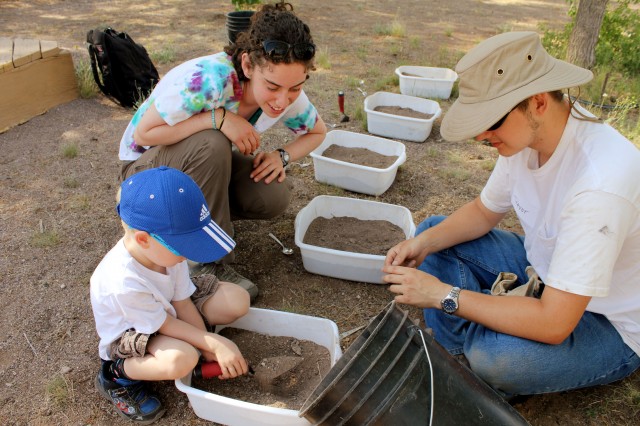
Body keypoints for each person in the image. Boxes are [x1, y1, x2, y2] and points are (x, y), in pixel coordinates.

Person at [383, 31, 640, 398]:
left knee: (497, 359)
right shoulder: (527, 138)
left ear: (537, 103)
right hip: (549, 271)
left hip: (608, 321)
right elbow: (483, 212)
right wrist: (420, 243)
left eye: (491, 122)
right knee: (433, 233)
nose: (481, 137)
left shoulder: (600, 183)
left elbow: (555, 323)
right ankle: (461, 354)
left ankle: (476, 354)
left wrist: (444, 295)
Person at [118, 2, 327, 302]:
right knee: (212, 142)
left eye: (295, 88)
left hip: (192, 166)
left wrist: (281, 156)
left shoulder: (285, 86)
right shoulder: (209, 80)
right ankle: (207, 266)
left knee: (272, 193)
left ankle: (199, 220)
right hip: (141, 173)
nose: (283, 100)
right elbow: (145, 133)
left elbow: (317, 132)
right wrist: (219, 118)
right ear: (246, 65)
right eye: (272, 87)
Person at [91, 166, 251, 423]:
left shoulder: (165, 253)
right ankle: (115, 376)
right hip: (137, 332)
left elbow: (181, 300)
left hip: (165, 311)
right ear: (143, 239)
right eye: (183, 247)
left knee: (237, 299)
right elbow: (161, 324)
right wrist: (211, 344)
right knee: (181, 359)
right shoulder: (122, 280)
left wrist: (206, 342)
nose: (186, 255)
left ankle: (192, 344)